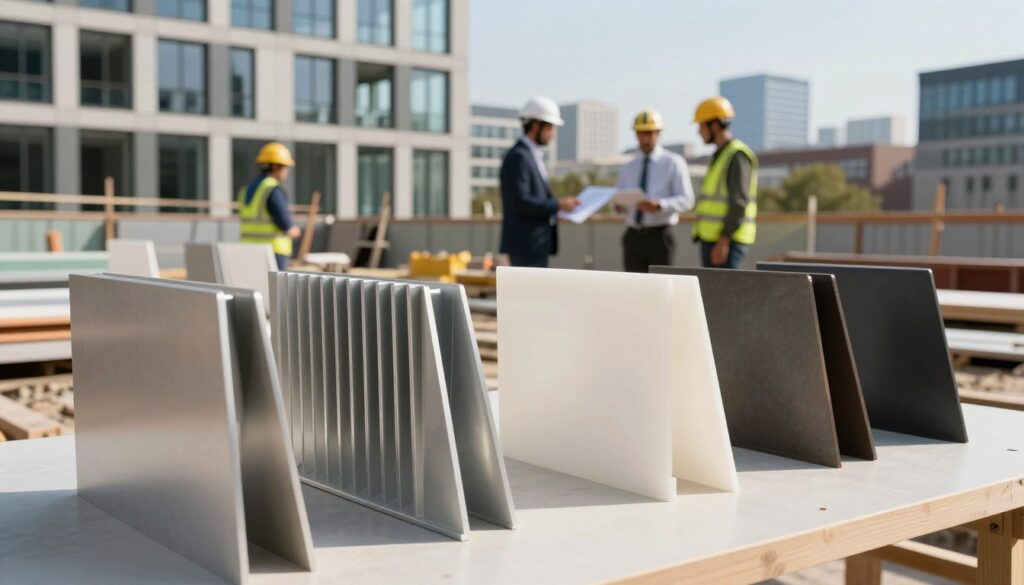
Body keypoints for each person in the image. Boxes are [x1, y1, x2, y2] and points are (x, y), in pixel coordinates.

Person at [499, 96, 580, 268]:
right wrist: (558, 205)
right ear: (536, 125)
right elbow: (522, 202)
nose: (553, 134)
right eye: (551, 127)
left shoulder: (530, 156)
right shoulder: (519, 157)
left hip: (534, 245)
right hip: (525, 246)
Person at [615, 109, 694, 272]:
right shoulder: (628, 167)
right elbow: (618, 198)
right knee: (633, 287)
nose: (645, 138)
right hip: (632, 237)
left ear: (659, 133)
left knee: (661, 287)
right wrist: (618, 206)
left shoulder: (673, 163)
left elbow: (687, 199)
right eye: (641, 133)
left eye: (650, 133)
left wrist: (660, 205)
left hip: (660, 236)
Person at [692, 96, 759, 269]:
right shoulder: (720, 155)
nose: (699, 131)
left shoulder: (737, 156)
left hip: (727, 243)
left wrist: (724, 241)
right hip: (712, 240)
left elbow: (739, 203)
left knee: (723, 295)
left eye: (701, 126)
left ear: (714, 125)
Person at [238, 142, 302, 271]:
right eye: (285, 167)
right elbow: (285, 224)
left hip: (248, 252)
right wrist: (294, 230)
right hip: (272, 253)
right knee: (274, 290)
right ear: (275, 166)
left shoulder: (247, 189)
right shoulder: (272, 190)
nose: (287, 172)